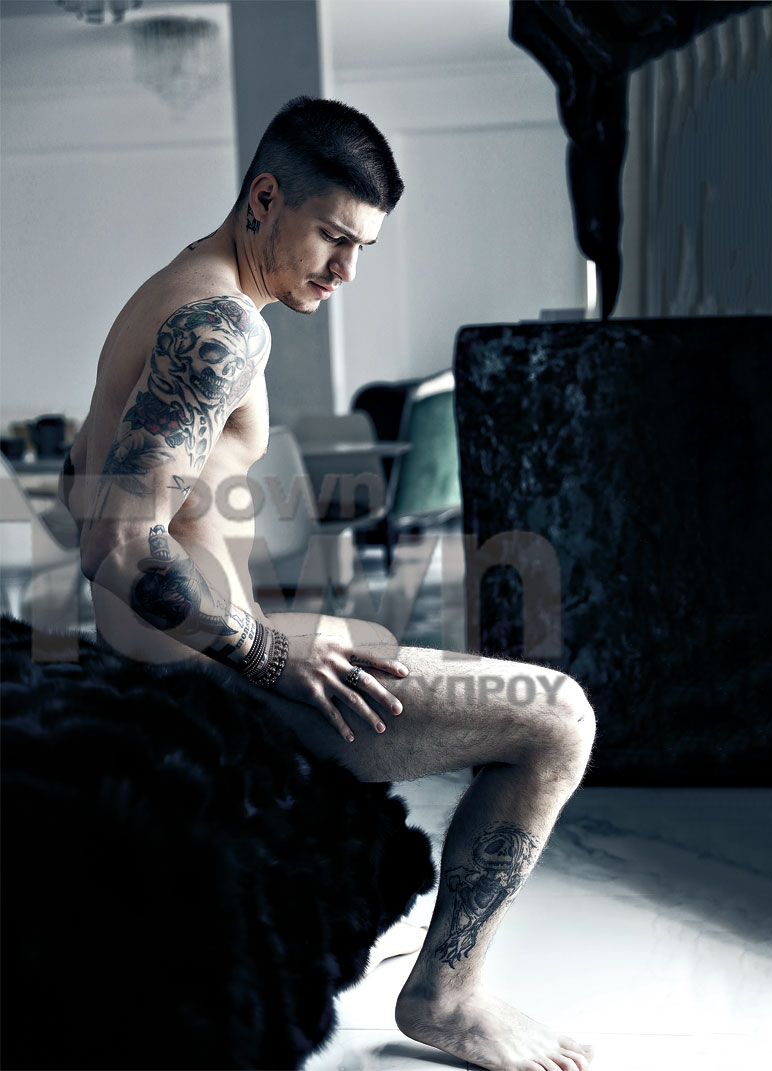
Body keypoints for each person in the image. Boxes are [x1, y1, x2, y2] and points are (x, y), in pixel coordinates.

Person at [61, 96, 596, 1071]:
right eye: (334, 239)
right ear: (265, 199)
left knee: (365, 637)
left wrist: (258, 618)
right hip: (208, 690)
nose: (347, 271)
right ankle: (447, 996)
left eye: (363, 249)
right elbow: (117, 541)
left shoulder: (168, 292)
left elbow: (77, 484)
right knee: (559, 717)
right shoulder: (222, 326)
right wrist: (267, 651)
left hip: (170, 663)